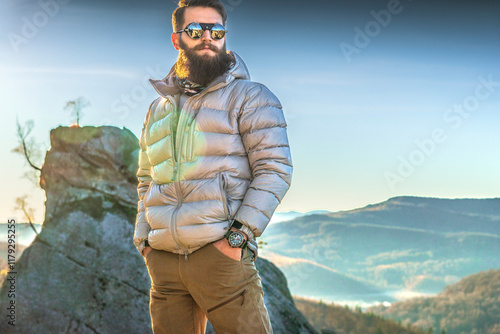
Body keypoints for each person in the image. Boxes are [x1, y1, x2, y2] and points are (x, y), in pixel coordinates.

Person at [133, 0, 292, 333]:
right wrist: (144, 240)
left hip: (220, 259)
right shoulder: (157, 109)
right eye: (195, 30)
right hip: (164, 263)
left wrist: (237, 239)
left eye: (216, 30)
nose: (207, 37)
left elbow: (275, 170)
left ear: (224, 36)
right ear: (177, 40)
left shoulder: (251, 97)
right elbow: (147, 178)